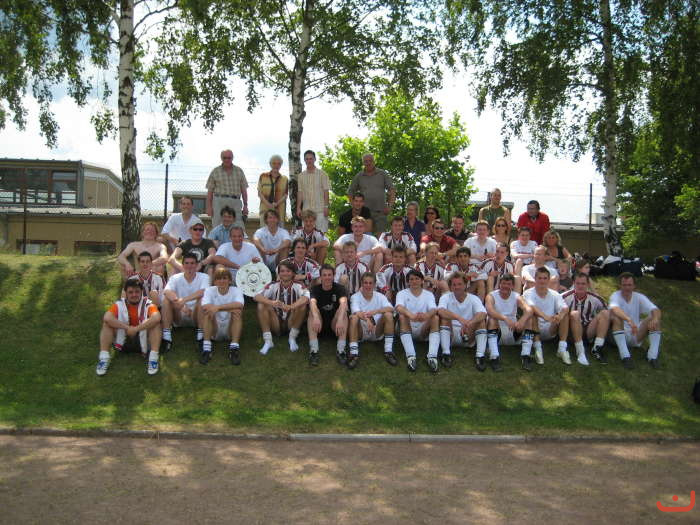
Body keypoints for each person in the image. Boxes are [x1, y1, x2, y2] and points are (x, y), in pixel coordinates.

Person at [95, 277, 162, 376]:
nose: (134, 295)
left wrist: (136, 329)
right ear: (125, 293)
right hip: (123, 339)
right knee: (107, 324)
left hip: (143, 341)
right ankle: (104, 358)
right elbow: (107, 317)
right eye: (130, 292)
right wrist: (127, 328)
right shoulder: (119, 304)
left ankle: (153, 358)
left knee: (156, 324)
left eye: (137, 292)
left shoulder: (148, 304)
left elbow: (157, 317)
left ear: (142, 292)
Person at [609, 272, 663, 369]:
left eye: (629, 285)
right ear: (619, 286)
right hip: (618, 334)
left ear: (634, 286)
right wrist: (628, 319)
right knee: (616, 317)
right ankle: (625, 356)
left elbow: (655, 309)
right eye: (624, 285)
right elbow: (614, 309)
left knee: (655, 319)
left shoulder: (639, 297)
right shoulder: (615, 295)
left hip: (635, 334)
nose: (627, 288)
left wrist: (655, 319)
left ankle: (652, 356)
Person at [255, 260, 310, 355]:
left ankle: (292, 338)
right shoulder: (273, 285)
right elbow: (256, 296)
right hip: (276, 321)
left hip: (291, 321)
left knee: (302, 306)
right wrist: (271, 302)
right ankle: (268, 341)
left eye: (288, 271)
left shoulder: (299, 285)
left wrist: (290, 306)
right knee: (261, 304)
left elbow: (306, 297)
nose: (285, 273)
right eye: (282, 271)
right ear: (279, 273)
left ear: (293, 273)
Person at [437, 271, 488, 371]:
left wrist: (469, 323)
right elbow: (440, 311)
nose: (457, 287)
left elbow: (483, 313)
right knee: (444, 319)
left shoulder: (473, 298)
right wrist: (459, 318)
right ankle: (446, 353)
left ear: (465, 285)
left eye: (459, 284)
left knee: (481, 321)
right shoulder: (445, 297)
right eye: (454, 285)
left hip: (468, 332)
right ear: (450, 286)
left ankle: (480, 356)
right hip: (451, 334)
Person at [160, 253, 210, 353]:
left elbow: (203, 291)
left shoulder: (204, 277)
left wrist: (184, 300)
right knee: (166, 300)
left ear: (197, 265)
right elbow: (167, 291)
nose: (189, 266)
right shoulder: (175, 277)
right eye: (186, 263)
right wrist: (181, 305)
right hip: (179, 313)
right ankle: (167, 337)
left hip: (196, 314)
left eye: (192, 263)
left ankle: (201, 337)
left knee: (203, 298)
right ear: (182, 265)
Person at [484, 273, 534, 372]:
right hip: (497, 331)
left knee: (528, 320)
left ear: (512, 286)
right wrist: (504, 318)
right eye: (503, 283)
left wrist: (522, 320)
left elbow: (529, 310)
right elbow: (489, 310)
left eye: (508, 284)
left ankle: (525, 356)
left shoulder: (516, 296)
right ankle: (494, 357)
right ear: (499, 284)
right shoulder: (491, 296)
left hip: (513, 330)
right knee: (492, 319)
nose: (505, 286)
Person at [347, 272, 396, 370]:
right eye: (365, 283)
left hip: (376, 329)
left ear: (374, 284)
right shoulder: (355, 296)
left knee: (388, 315)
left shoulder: (380, 296)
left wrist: (376, 311)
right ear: (361, 283)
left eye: (370, 283)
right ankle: (353, 353)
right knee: (353, 318)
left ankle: (388, 351)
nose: (368, 285)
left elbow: (391, 308)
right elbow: (356, 311)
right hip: (361, 330)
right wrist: (367, 319)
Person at [523, 267, 571, 366]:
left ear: (549, 280)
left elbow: (565, 308)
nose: (542, 281)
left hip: (551, 328)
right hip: (534, 328)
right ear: (535, 279)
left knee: (565, 315)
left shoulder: (555, 294)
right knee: (532, 313)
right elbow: (532, 306)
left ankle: (562, 349)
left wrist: (560, 316)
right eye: (540, 278)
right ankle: (538, 349)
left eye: (545, 278)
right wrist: (545, 317)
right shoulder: (528, 292)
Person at [395, 270, 441, 372]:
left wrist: (426, 315)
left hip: (423, 328)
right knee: (402, 317)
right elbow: (399, 307)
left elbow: (434, 309)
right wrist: (411, 315)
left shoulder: (428, 294)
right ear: (408, 282)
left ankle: (432, 357)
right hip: (407, 326)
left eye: (417, 279)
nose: (414, 281)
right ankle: (411, 356)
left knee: (435, 318)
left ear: (422, 281)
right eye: (411, 279)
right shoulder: (401, 293)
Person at [198, 266, 245, 365]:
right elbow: (205, 306)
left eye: (224, 278)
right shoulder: (209, 290)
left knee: (237, 313)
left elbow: (239, 304)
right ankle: (206, 349)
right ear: (214, 281)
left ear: (230, 280)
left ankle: (234, 349)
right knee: (207, 313)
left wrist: (217, 308)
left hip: (230, 329)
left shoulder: (236, 290)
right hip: (214, 329)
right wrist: (230, 308)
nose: (222, 281)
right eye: (219, 278)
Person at [562, 273, 610, 366]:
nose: (580, 286)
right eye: (578, 283)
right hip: (571, 332)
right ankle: (580, 352)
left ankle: (597, 347)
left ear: (587, 284)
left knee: (605, 313)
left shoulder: (595, 298)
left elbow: (607, 310)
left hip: (588, 330)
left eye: (583, 283)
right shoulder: (564, 297)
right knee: (575, 314)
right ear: (573, 283)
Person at [308, 264, 349, 366]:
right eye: (324, 275)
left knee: (343, 311)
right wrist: (316, 317)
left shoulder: (339, 288)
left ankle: (341, 350)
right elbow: (312, 303)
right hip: (319, 325)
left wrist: (340, 319)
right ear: (320, 277)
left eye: (329, 275)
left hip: (336, 326)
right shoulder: (315, 289)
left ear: (333, 276)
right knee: (312, 312)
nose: (327, 277)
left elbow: (343, 302)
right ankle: (314, 350)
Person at [347, 153, 396, 235]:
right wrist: (354, 207)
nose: (368, 163)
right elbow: (350, 191)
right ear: (363, 163)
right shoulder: (359, 176)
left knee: (381, 238)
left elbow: (392, 189)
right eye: (366, 161)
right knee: (365, 237)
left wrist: (390, 206)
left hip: (381, 212)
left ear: (374, 162)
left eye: (370, 160)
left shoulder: (382, 173)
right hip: (364, 213)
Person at [206, 149, 248, 228]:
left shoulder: (239, 171)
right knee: (218, 226)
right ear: (221, 158)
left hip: (235, 202)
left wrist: (245, 205)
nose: (227, 160)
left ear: (232, 158)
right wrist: (209, 207)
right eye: (224, 158)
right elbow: (210, 191)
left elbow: (244, 190)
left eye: (229, 158)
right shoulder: (215, 171)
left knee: (238, 226)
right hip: (219, 202)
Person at [296, 149, 330, 232]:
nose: (309, 161)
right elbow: (300, 192)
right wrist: (298, 208)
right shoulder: (301, 176)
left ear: (315, 159)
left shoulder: (323, 174)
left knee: (321, 234)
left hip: (320, 210)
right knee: (307, 235)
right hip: (306, 211)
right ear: (304, 160)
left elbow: (326, 192)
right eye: (307, 159)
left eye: (311, 158)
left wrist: (326, 207)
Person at [253, 209, 292, 273]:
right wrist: (263, 250)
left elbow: (287, 241)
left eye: (274, 218)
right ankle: (261, 272)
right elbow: (255, 240)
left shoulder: (283, 231)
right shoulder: (260, 231)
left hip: (277, 259)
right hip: (264, 257)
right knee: (257, 247)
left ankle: (281, 273)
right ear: (266, 220)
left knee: (285, 249)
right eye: (270, 217)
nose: (272, 220)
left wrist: (276, 250)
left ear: (278, 220)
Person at [257, 154, 289, 226]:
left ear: (281, 165)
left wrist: (276, 204)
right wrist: (268, 204)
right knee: (264, 231)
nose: (276, 165)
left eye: (278, 163)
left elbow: (285, 195)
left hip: (279, 212)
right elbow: (259, 193)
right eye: (274, 163)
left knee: (279, 232)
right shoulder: (263, 176)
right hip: (265, 211)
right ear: (270, 164)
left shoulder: (285, 179)